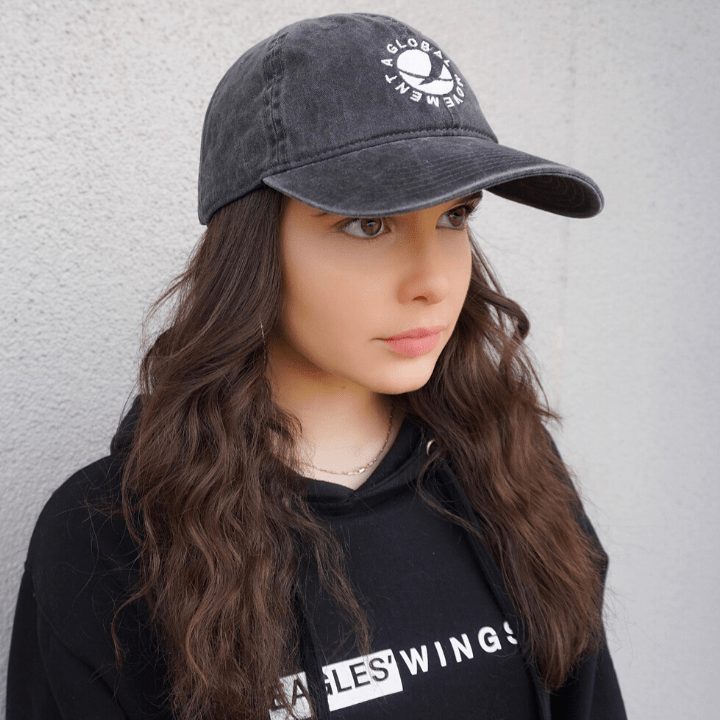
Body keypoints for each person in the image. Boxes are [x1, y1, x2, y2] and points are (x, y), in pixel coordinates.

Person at [5, 12, 628, 720]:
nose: (432, 280)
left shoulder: (510, 468)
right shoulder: (110, 539)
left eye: (455, 216)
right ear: (252, 249)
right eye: (369, 224)